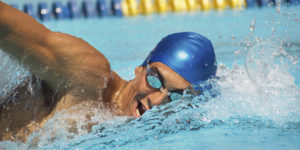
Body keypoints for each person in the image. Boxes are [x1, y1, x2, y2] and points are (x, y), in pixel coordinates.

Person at [0, 2, 217, 142]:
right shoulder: (88, 74)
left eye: (175, 96)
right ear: (140, 68)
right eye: (155, 79)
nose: (158, 100)